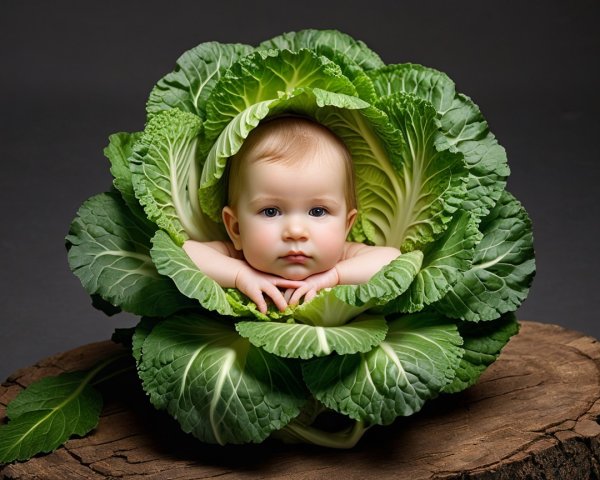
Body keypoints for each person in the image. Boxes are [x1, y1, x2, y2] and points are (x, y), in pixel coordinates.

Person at [183, 116, 401, 314]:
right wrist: (240, 276)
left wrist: (335, 277)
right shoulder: (239, 258)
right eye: (271, 211)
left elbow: (393, 260)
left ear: (347, 226)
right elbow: (185, 254)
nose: (295, 231)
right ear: (236, 228)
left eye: (318, 211)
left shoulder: (343, 258)